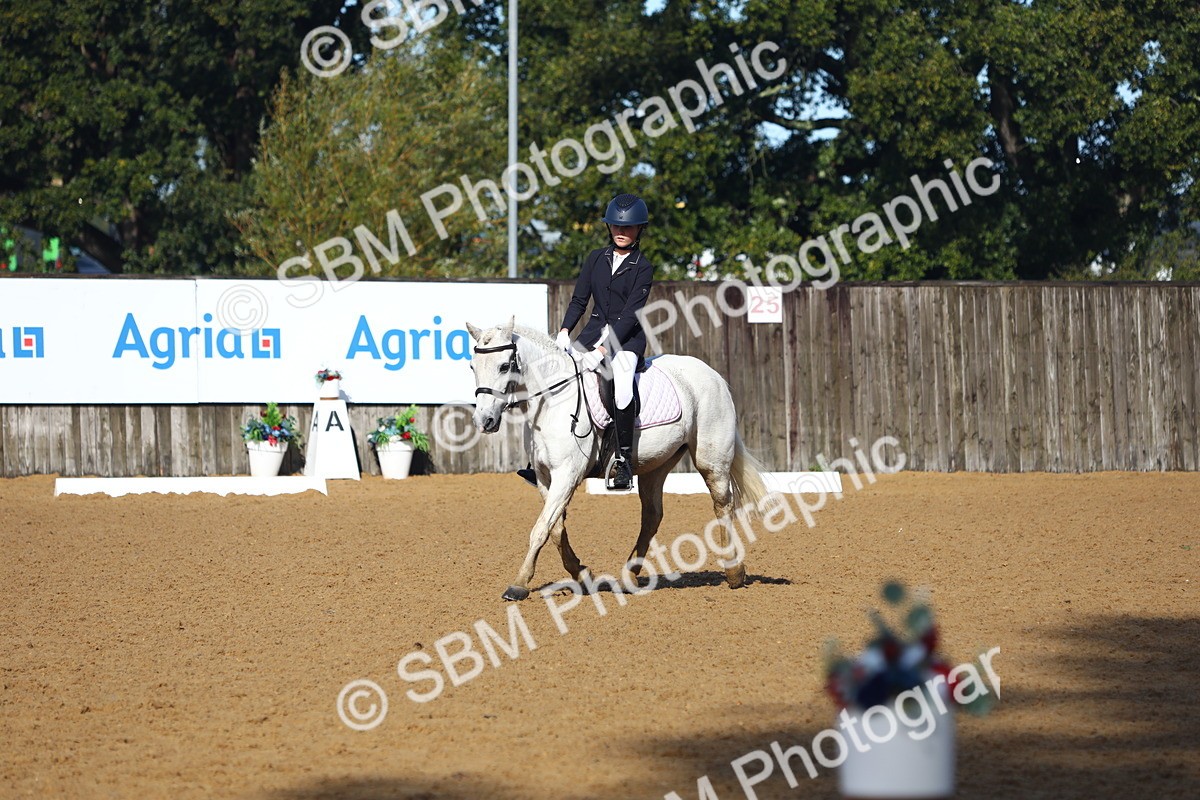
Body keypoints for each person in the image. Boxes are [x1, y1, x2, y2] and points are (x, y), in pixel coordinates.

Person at [556, 193, 655, 490]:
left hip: (626, 341)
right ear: (609, 227)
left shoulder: (643, 267)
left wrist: (603, 350)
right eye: (615, 226)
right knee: (560, 376)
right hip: (591, 333)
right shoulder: (595, 258)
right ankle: (550, 457)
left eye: (628, 227)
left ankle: (623, 461)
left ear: (639, 230)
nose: (621, 232)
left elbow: (629, 316)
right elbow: (579, 300)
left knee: (622, 385)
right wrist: (564, 331)